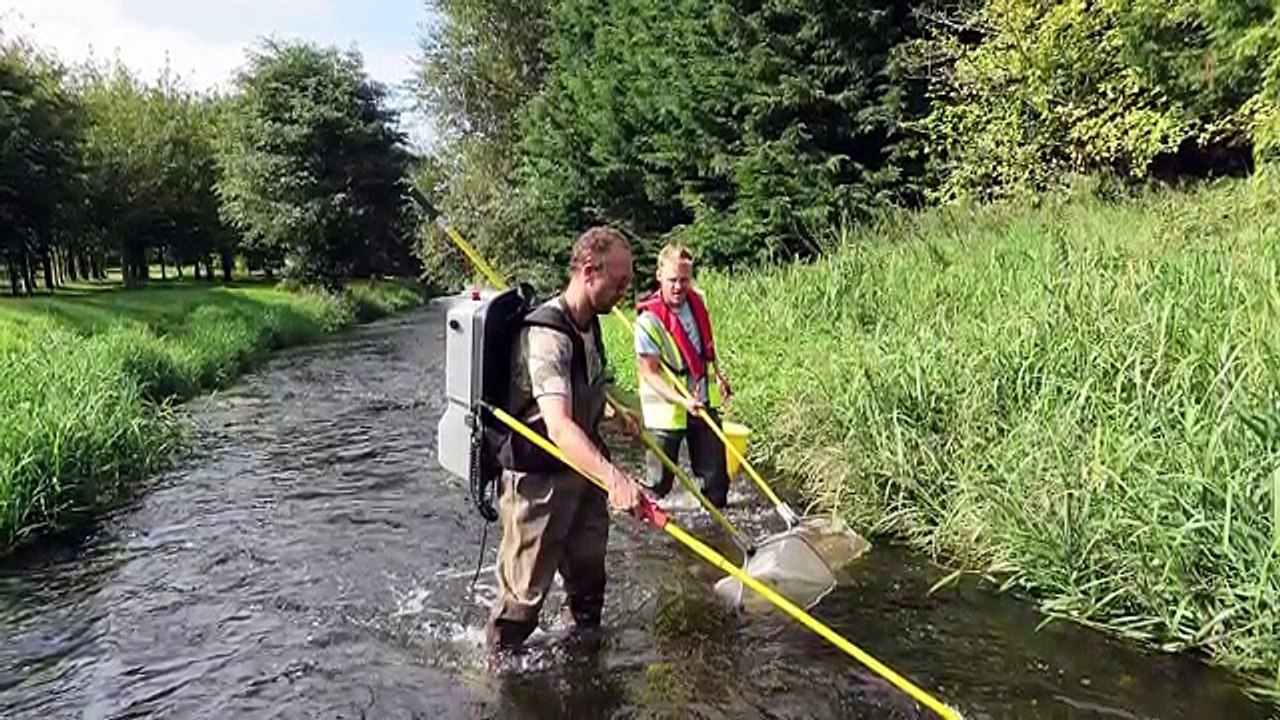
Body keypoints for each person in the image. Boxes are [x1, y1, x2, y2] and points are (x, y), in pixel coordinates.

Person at [486, 225, 647, 655]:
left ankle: (584, 659)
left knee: (590, 584)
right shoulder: (546, 335)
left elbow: (580, 386)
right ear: (589, 271)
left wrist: (612, 411)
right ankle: (496, 676)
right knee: (522, 602)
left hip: (582, 473)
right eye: (619, 281)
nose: (624, 292)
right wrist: (616, 480)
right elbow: (556, 426)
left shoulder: (590, 324)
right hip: (539, 482)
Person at [633, 242, 733, 509]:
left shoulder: (697, 303)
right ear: (659, 276)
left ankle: (715, 527)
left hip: (702, 400)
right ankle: (645, 521)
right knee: (659, 486)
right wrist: (681, 401)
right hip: (666, 409)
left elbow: (706, 348)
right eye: (672, 280)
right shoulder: (648, 322)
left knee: (717, 483)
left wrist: (719, 375)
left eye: (684, 280)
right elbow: (649, 374)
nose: (678, 287)